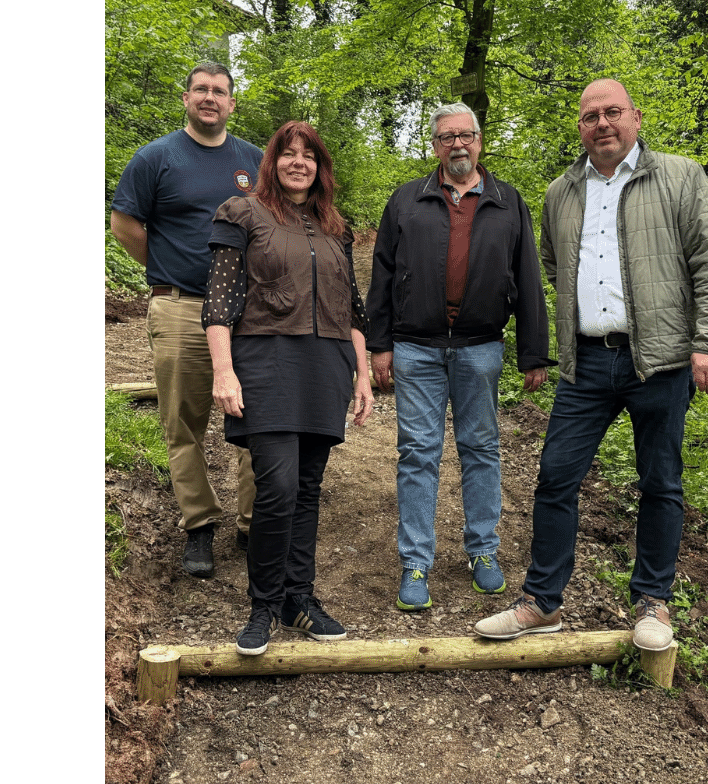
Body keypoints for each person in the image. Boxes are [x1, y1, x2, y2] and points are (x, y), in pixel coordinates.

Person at [474, 78, 708, 653]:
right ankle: (542, 603)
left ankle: (653, 602)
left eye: (612, 112)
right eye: (591, 116)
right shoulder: (562, 192)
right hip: (586, 362)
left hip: (661, 361)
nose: (602, 123)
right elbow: (552, 262)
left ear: (635, 118)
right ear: (580, 128)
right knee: (555, 477)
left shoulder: (680, 176)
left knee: (660, 482)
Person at [365, 103, 551, 612]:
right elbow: (382, 275)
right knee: (417, 453)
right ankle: (415, 562)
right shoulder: (407, 200)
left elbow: (528, 276)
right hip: (415, 347)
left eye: (466, 135)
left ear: (480, 140)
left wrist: (533, 351)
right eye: (447, 137)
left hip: (480, 347)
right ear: (435, 146)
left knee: (481, 449)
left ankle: (483, 551)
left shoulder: (507, 201)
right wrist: (379, 345)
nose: (458, 145)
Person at [203, 120, 375, 655]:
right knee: (276, 487)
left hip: (326, 366)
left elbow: (353, 309)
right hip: (266, 363)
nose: (299, 162)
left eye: (309, 155)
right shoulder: (242, 213)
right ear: (272, 162)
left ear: (321, 167)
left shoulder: (336, 228)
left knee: (306, 488)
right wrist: (223, 370)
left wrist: (363, 374)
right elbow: (219, 302)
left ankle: (298, 597)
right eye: (288, 153)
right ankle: (263, 605)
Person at [109, 61, 263, 578]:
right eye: (201, 89)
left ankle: (253, 524)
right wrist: (166, 264)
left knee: (257, 419)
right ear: (186, 98)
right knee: (183, 423)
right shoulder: (156, 158)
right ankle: (198, 523)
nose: (209, 98)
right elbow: (124, 223)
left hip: (248, 311)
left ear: (232, 103)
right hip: (181, 307)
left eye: (219, 91)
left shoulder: (254, 161)